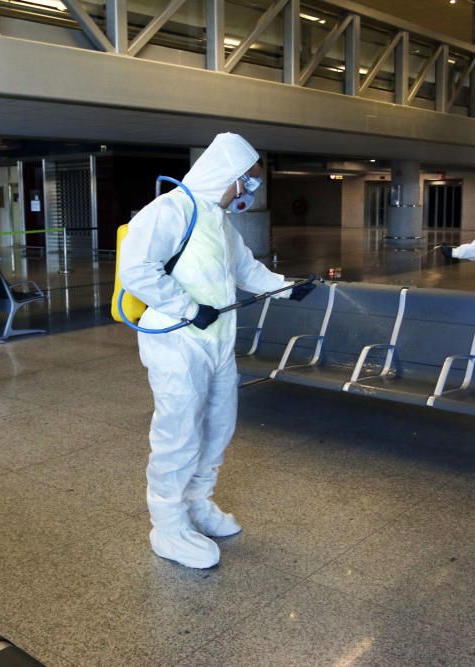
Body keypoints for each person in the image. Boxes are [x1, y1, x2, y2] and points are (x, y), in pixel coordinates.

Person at [119, 133, 316, 569]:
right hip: (176, 339)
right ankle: (168, 525)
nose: (247, 192)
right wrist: (188, 307)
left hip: (217, 340)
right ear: (225, 174)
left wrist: (286, 288)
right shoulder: (169, 210)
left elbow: (246, 269)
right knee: (179, 432)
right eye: (246, 182)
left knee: (218, 426)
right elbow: (136, 270)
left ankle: (198, 504)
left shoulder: (219, 222)